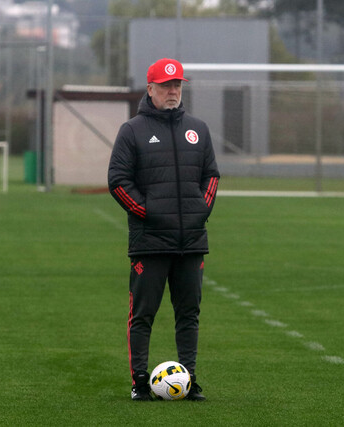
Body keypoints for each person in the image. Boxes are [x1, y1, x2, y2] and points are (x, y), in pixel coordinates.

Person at [108, 58, 219, 401]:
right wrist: (150, 213)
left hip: (191, 242)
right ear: (151, 88)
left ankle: (189, 379)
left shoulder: (198, 129)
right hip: (150, 242)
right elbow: (118, 181)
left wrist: (200, 212)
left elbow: (211, 176)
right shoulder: (132, 131)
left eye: (178, 85)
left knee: (189, 315)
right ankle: (140, 382)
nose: (173, 91)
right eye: (166, 85)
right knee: (143, 315)